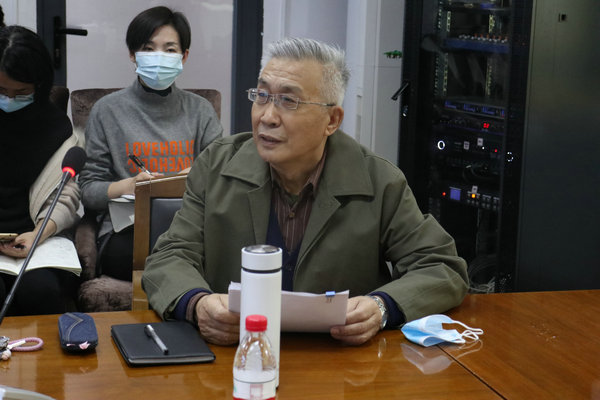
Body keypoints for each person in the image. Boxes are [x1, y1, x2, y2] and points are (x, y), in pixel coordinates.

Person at [143, 37, 468, 346]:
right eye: (261, 96)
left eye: (288, 101)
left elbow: (441, 266)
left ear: (332, 120)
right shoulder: (216, 166)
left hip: (342, 362)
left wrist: (382, 307)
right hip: (235, 353)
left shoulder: (379, 181)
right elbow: (171, 256)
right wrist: (197, 304)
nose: (267, 117)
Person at [78, 6, 222, 282]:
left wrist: (193, 178)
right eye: (148, 48)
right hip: (128, 231)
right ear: (133, 54)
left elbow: (221, 176)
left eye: (169, 50)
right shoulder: (107, 111)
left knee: (210, 252)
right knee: (163, 257)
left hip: (189, 225)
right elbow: (88, 191)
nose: (159, 57)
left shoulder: (200, 110)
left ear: (184, 56)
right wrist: (129, 186)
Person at [0, 25, 80, 315]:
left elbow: (66, 195)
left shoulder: (56, 129)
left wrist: (38, 234)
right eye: (1, 91)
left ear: (40, 85)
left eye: (21, 92)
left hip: (34, 238)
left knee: (40, 290)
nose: (9, 100)